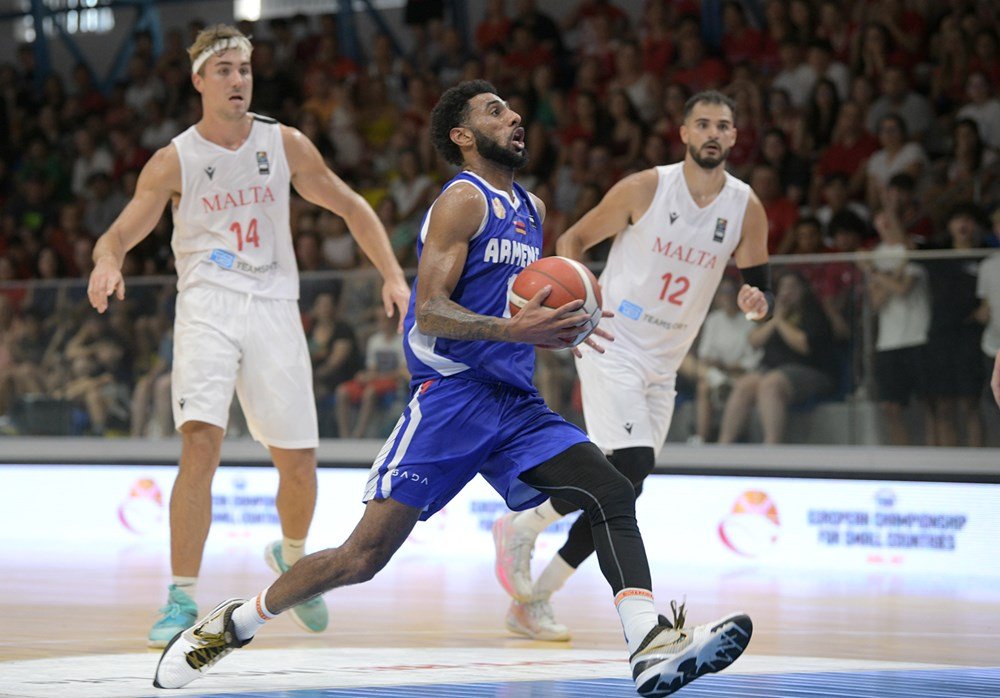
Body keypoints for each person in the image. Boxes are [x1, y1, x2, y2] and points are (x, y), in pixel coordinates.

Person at [153, 80, 753, 696]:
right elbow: (432, 311)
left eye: (513, 108)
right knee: (361, 559)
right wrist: (514, 328)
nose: (515, 115)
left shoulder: (533, 210)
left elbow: (522, 303)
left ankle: (649, 645)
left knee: (610, 489)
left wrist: (568, 326)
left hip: (515, 403)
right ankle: (232, 625)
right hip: (450, 396)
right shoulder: (462, 202)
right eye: (495, 112)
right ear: (463, 138)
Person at [86, 25, 410, 648]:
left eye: (245, 69)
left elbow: (351, 206)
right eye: (226, 70)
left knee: (298, 461)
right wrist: (108, 261)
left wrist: (392, 275)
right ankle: (181, 597)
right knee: (200, 445)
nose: (239, 80)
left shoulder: (283, 143)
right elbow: (120, 231)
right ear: (199, 80)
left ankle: (291, 558)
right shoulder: (175, 159)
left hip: (274, 307)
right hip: (207, 305)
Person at [491, 90, 771, 640]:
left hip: (666, 364)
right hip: (611, 340)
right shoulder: (647, 187)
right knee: (633, 463)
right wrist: (577, 313)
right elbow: (573, 240)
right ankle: (525, 525)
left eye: (724, 125)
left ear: (735, 136)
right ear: (685, 133)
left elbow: (759, 285)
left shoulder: (746, 207)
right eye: (703, 124)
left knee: (625, 483)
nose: (714, 133)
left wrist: (756, 301)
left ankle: (533, 595)